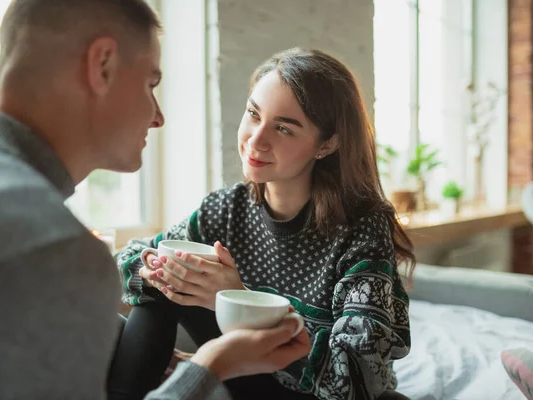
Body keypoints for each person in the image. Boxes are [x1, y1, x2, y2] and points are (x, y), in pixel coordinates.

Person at [0, 0, 310, 399]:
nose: (158, 116)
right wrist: (212, 366)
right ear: (103, 66)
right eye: (150, 84)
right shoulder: (51, 247)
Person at [111, 48, 416, 400]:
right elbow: (126, 260)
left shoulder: (362, 229)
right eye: (253, 114)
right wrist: (153, 271)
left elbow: (356, 378)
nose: (256, 140)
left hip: (314, 394)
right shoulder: (226, 210)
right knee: (167, 275)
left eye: (284, 128)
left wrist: (240, 301)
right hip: (246, 383)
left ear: (327, 144)